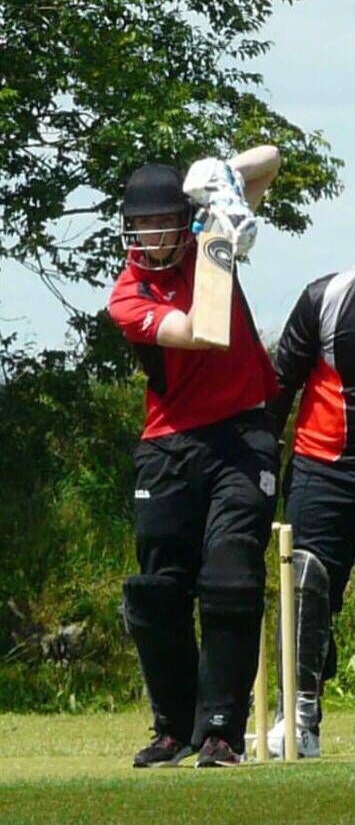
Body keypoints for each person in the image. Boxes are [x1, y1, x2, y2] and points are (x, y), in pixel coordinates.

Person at [108, 145, 281, 767]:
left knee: (231, 574)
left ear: (183, 218)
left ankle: (220, 732)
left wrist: (223, 182)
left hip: (241, 432)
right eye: (143, 224)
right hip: (168, 443)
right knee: (158, 588)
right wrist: (221, 239)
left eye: (164, 221)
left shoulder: (211, 224)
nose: (154, 234)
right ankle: (172, 728)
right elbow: (204, 329)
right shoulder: (127, 295)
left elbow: (273, 157)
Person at [267, 266, 355, 757]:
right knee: (307, 584)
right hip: (324, 467)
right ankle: (298, 722)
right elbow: (280, 386)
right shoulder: (326, 297)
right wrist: (256, 467)